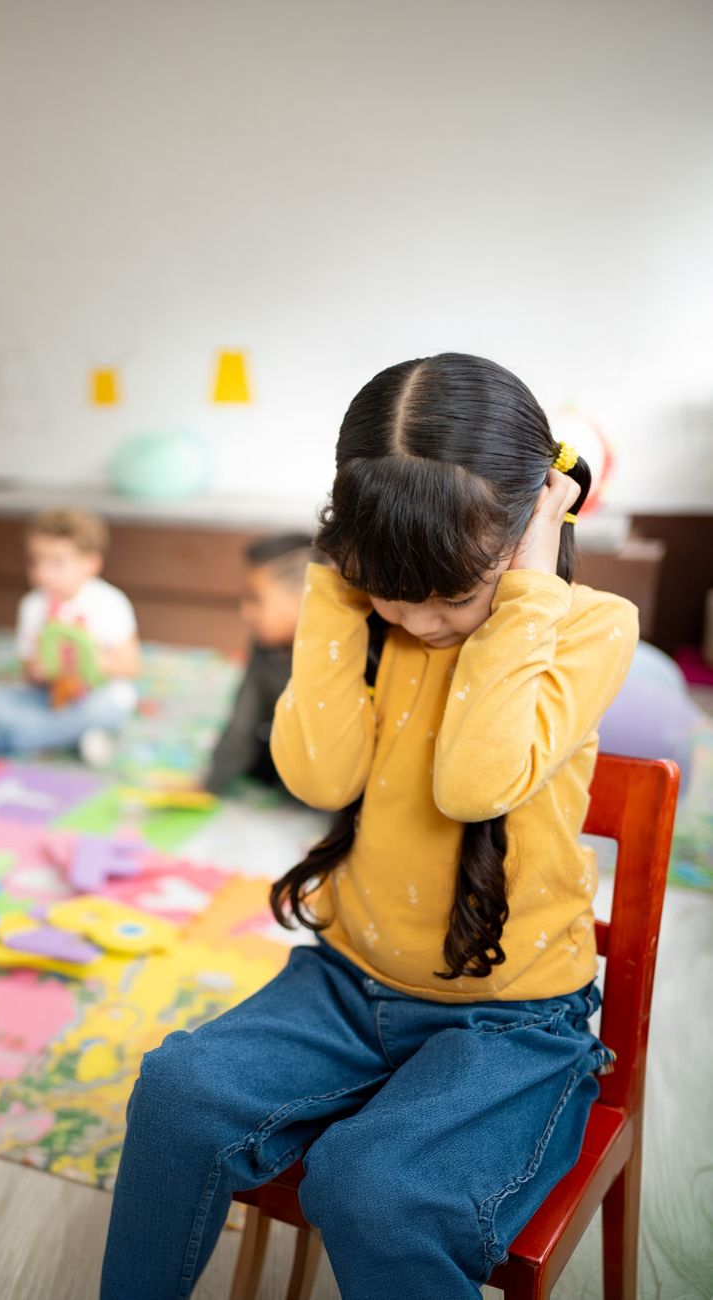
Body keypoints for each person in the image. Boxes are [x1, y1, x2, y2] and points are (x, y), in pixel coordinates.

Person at [100, 354, 637, 1300]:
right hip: (348, 983)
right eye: (397, 592)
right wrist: (336, 593)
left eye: (452, 596)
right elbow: (318, 772)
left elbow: (476, 782)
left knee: (374, 1188)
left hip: (508, 1023)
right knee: (177, 1096)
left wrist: (524, 587)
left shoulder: (587, 625)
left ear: (527, 534)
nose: (421, 621)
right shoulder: (366, 613)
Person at [0, 508, 140, 766]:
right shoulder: (33, 605)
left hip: (96, 694)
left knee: (109, 709)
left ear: (91, 563)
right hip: (49, 696)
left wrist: (91, 662)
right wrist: (38, 671)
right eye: (36, 561)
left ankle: (9, 741)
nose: (43, 573)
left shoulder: (109, 602)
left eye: (57, 562)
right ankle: (79, 737)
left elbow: (131, 666)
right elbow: (28, 669)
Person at [205, 532, 321, 796]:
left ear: (303, 599)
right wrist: (210, 783)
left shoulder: (336, 655)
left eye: (256, 598)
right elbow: (244, 717)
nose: (245, 611)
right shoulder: (264, 645)